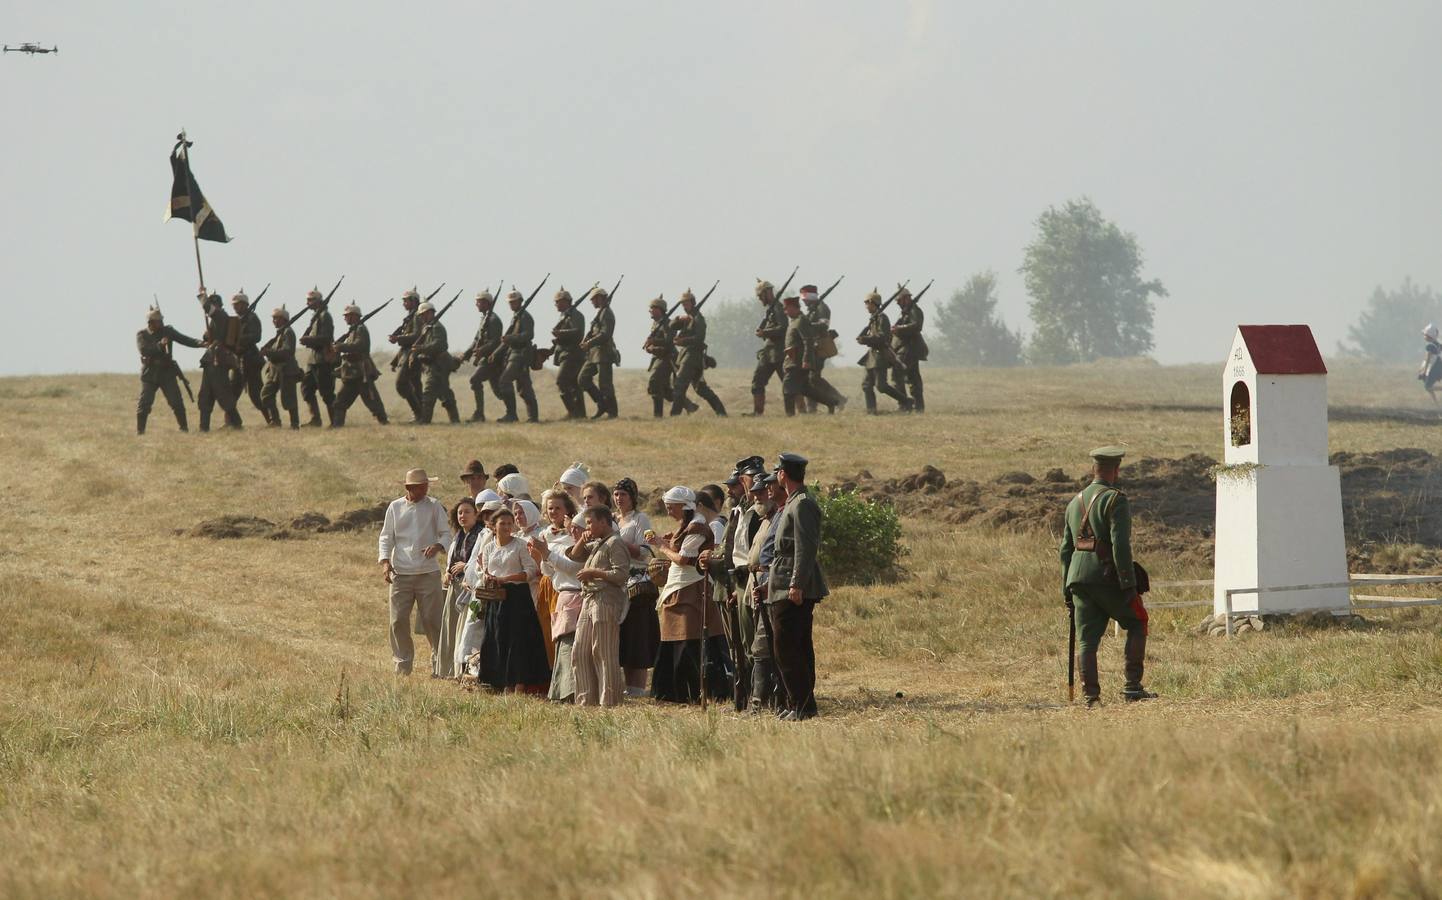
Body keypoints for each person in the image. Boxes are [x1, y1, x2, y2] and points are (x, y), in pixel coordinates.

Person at [1059, 446, 1155, 708]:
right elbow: (1120, 545)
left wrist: (1066, 589)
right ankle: (1132, 687)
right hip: (1106, 575)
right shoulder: (1115, 499)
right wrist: (1128, 583)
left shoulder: (1073, 503)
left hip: (1077, 578)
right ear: (1116, 469)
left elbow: (1065, 550)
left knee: (1086, 640)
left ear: (1094, 469)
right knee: (1137, 622)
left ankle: (1091, 698)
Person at [647, 486, 728, 703]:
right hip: (680, 588)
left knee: (688, 641)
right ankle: (672, 691)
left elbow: (684, 559)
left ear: (684, 507)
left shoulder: (698, 528)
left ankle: (692, 691)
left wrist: (661, 547)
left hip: (691, 590)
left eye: (671, 508)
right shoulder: (688, 526)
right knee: (674, 640)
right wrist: (668, 541)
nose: (669, 512)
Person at [766, 452, 827, 720]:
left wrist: (796, 584)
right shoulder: (792, 502)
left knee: (788, 646)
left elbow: (806, 548)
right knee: (792, 646)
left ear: (783, 474)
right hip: (782, 580)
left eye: (778, 471)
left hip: (792, 584)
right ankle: (799, 704)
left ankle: (802, 706)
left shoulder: (802, 504)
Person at [378, 468, 451, 676]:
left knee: (431, 619)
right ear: (409, 488)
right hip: (401, 572)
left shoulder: (435, 506)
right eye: (420, 487)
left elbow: (446, 534)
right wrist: (385, 563)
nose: (425, 490)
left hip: (428, 572)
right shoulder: (395, 507)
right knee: (397, 620)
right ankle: (402, 664)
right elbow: (386, 537)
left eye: (426, 486)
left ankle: (440, 663)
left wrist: (437, 546)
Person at [470, 507, 550, 693]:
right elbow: (485, 572)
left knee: (517, 640)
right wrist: (488, 577)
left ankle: (519, 683)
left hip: (517, 598)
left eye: (509, 523)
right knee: (498, 637)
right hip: (496, 598)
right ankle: (502, 681)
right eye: (502, 523)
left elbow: (530, 571)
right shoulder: (489, 547)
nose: (507, 527)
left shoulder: (520, 545)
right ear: (493, 526)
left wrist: (507, 579)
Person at [565, 504, 632, 706]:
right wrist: (582, 540)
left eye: (590, 522)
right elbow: (574, 555)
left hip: (606, 599)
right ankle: (586, 701)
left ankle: (609, 701)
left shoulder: (615, 543)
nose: (587, 527)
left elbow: (621, 574)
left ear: (604, 522)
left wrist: (593, 573)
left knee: (603, 650)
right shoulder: (597, 543)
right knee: (580, 650)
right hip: (589, 599)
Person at [529, 491, 582, 701]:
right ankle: (557, 685)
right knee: (554, 638)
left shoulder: (574, 535)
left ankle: (570, 689)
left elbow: (573, 567)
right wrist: (541, 555)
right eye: (550, 508)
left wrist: (547, 554)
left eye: (558, 508)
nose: (553, 512)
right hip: (554, 588)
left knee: (568, 640)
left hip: (572, 590)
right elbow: (548, 571)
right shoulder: (546, 534)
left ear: (567, 510)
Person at [611, 478, 658, 698]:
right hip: (615, 585)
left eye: (623, 495)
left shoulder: (641, 519)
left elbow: (644, 551)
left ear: (632, 497)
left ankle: (637, 690)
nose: (619, 498)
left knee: (637, 636)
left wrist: (616, 542)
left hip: (636, 586)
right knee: (622, 636)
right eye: (616, 494)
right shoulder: (612, 520)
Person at [135, 305, 202, 434]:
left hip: (166, 372)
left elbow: (184, 339)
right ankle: (140, 431)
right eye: (158, 321)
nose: (161, 323)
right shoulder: (142, 334)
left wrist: (200, 343)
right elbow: (144, 350)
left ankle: (184, 428)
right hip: (150, 373)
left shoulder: (168, 331)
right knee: (145, 403)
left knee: (176, 401)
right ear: (151, 323)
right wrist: (160, 345)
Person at [438, 497, 481, 678]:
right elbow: (451, 561)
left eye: (467, 512)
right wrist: (448, 572)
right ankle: (447, 670)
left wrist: (466, 566)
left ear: (476, 514)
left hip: (468, 587)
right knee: (451, 627)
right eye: (460, 512)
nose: (463, 516)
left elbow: (479, 560)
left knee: (464, 629)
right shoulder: (458, 536)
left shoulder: (480, 535)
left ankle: (461, 671)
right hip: (454, 587)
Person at [670, 289, 727, 417]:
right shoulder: (687, 318)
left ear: (693, 303)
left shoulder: (698, 319)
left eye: (687, 303)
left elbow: (699, 338)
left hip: (692, 357)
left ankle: (674, 415)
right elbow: (672, 326)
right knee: (700, 388)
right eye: (683, 304)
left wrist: (682, 341)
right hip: (687, 357)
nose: (684, 306)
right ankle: (721, 412)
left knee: (679, 385)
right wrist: (679, 318)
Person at [331, 303, 389, 427]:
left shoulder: (361, 329)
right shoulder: (353, 330)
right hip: (351, 373)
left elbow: (359, 346)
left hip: (361, 371)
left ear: (354, 316)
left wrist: (340, 347)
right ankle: (337, 425)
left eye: (347, 316)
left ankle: (383, 422)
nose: (345, 318)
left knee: (372, 400)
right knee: (340, 401)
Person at [195, 291, 244, 431]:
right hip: (211, 361)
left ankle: (236, 423)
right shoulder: (216, 319)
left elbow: (208, 309)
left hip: (218, 360)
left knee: (224, 395)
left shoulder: (220, 315)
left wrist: (202, 296)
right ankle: (203, 428)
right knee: (206, 395)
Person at [857, 289, 911, 414]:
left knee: (881, 386)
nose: (866, 307)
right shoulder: (874, 318)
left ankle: (906, 401)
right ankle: (871, 411)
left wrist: (866, 339)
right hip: (872, 356)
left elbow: (883, 337)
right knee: (866, 385)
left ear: (872, 303)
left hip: (880, 355)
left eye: (867, 304)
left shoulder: (882, 318)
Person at [411, 301, 461, 424]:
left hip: (439, 364)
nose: (422, 317)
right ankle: (454, 420)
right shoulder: (428, 327)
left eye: (423, 314)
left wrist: (421, 348)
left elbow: (439, 344)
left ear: (430, 313)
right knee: (444, 393)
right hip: (434, 364)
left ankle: (425, 420)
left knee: (428, 393)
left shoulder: (437, 327)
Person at [496, 289, 540, 423]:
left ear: (520, 302)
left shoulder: (525, 316)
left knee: (504, 381)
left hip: (520, 355)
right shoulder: (516, 316)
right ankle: (533, 417)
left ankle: (512, 415)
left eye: (514, 302)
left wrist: (511, 338)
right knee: (524, 388)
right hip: (515, 354)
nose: (511, 304)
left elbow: (528, 335)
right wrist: (496, 352)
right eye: (510, 302)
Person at [799, 284, 845, 413]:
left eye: (805, 298)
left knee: (813, 378)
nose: (803, 301)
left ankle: (838, 398)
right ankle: (812, 407)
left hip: (819, 347)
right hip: (812, 347)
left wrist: (807, 325)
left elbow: (823, 326)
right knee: (810, 378)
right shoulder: (812, 309)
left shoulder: (822, 308)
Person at [460, 288, 504, 422]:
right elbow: (476, 339)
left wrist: (481, 351)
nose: (476, 305)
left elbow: (495, 341)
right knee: (499, 390)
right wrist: (466, 354)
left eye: (479, 302)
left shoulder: (494, 320)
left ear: (486, 303)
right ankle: (511, 412)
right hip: (486, 358)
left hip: (493, 359)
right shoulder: (484, 319)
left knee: (475, 380)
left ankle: (480, 414)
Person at [781, 295, 828, 417]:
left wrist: (806, 360)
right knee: (807, 390)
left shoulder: (801, 320)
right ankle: (832, 402)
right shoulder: (795, 321)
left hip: (799, 362)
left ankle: (789, 416)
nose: (785, 312)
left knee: (788, 388)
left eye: (786, 309)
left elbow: (808, 341)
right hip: (793, 360)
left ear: (793, 307)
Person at [259, 305, 303, 429]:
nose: (274, 321)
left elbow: (288, 351)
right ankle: (275, 421)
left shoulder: (288, 332)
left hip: (286, 370)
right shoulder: (280, 333)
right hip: (275, 371)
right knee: (266, 394)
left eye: (277, 318)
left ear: (284, 319)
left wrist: (268, 352)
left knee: (289, 399)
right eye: (273, 318)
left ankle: (294, 425)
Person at [297, 288, 336, 427]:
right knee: (306, 389)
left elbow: (326, 338)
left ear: (318, 301)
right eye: (307, 300)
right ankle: (315, 419)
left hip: (323, 359)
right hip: (313, 360)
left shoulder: (325, 316)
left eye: (311, 300)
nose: (308, 303)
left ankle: (335, 421)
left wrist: (309, 340)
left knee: (326, 393)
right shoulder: (316, 316)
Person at [748, 279, 787, 416]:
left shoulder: (778, 308)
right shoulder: (771, 309)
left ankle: (800, 411)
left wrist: (765, 332)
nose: (759, 299)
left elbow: (783, 328)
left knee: (790, 385)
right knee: (757, 382)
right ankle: (757, 412)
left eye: (760, 296)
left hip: (780, 354)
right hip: (768, 353)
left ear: (767, 293)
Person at [578, 286, 618, 419]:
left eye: (593, 299)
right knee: (583, 378)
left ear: (600, 298)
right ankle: (602, 404)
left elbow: (605, 334)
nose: (592, 302)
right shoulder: (601, 312)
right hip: (593, 354)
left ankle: (612, 412)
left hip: (604, 353)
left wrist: (589, 343)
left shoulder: (607, 313)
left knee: (605, 384)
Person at [549, 287, 588, 419]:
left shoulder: (576, 315)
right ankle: (580, 414)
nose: (556, 305)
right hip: (566, 353)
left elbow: (578, 333)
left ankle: (572, 411)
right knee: (573, 385)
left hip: (572, 354)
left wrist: (560, 333)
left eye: (558, 302)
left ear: (566, 302)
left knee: (562, 381)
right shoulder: (564, 315)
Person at [387, 288, 424, 423]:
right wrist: (395, 360)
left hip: (413, 355)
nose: (404, 303)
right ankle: (421, 415)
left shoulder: (417, 316)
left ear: (413, 301)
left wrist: (399, 338)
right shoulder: (411, 316)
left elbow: (417, 335)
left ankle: (418, 412)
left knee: (401, 383)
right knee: (416, 385)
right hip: (407, 354)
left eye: (406, 301)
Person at [228, 289, 266, 419]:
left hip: (251, 359)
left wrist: (240, 338)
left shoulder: (252, 318)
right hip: (238, 360)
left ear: (245, 304)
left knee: (256, 394)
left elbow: (256, 336)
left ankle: (272, 419)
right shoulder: (234, 320)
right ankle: (231, 422)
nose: (235, 306)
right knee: (232, 392)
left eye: (237, 304)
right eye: (234, 304)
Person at [890, 287, 926, 413]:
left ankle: (904, 404)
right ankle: (918, 406)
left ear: (906, 298)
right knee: (913, 378)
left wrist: (899, 329)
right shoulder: (906, 311)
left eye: (899, 300)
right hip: (907, 348)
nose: (897, 303)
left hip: (910, 348)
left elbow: (917, 325)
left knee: (897, 374)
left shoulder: (914, 310)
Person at [642, 296, 676, 418]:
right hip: (659, 357)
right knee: (665, 389)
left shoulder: (668, 323)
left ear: (659, 309)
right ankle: (689, 405)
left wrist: (653, 341)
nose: (650, 310)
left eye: (652, 308)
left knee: (654, 382)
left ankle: (658, 416)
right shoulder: (656, 323)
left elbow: (669, 341)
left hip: (668, 358)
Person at [1421, 323, 1441, 404]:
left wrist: (1424, 372)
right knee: (1428, 385)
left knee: (1427, 386)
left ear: (1429, 336)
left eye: (1425, 335)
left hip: (1433, 367)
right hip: (1438, 365)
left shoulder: (1430, 346)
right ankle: (1436, 403)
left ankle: (1436, 403)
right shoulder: (1438, 344)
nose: (1424, 336)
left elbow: (1428, 359)